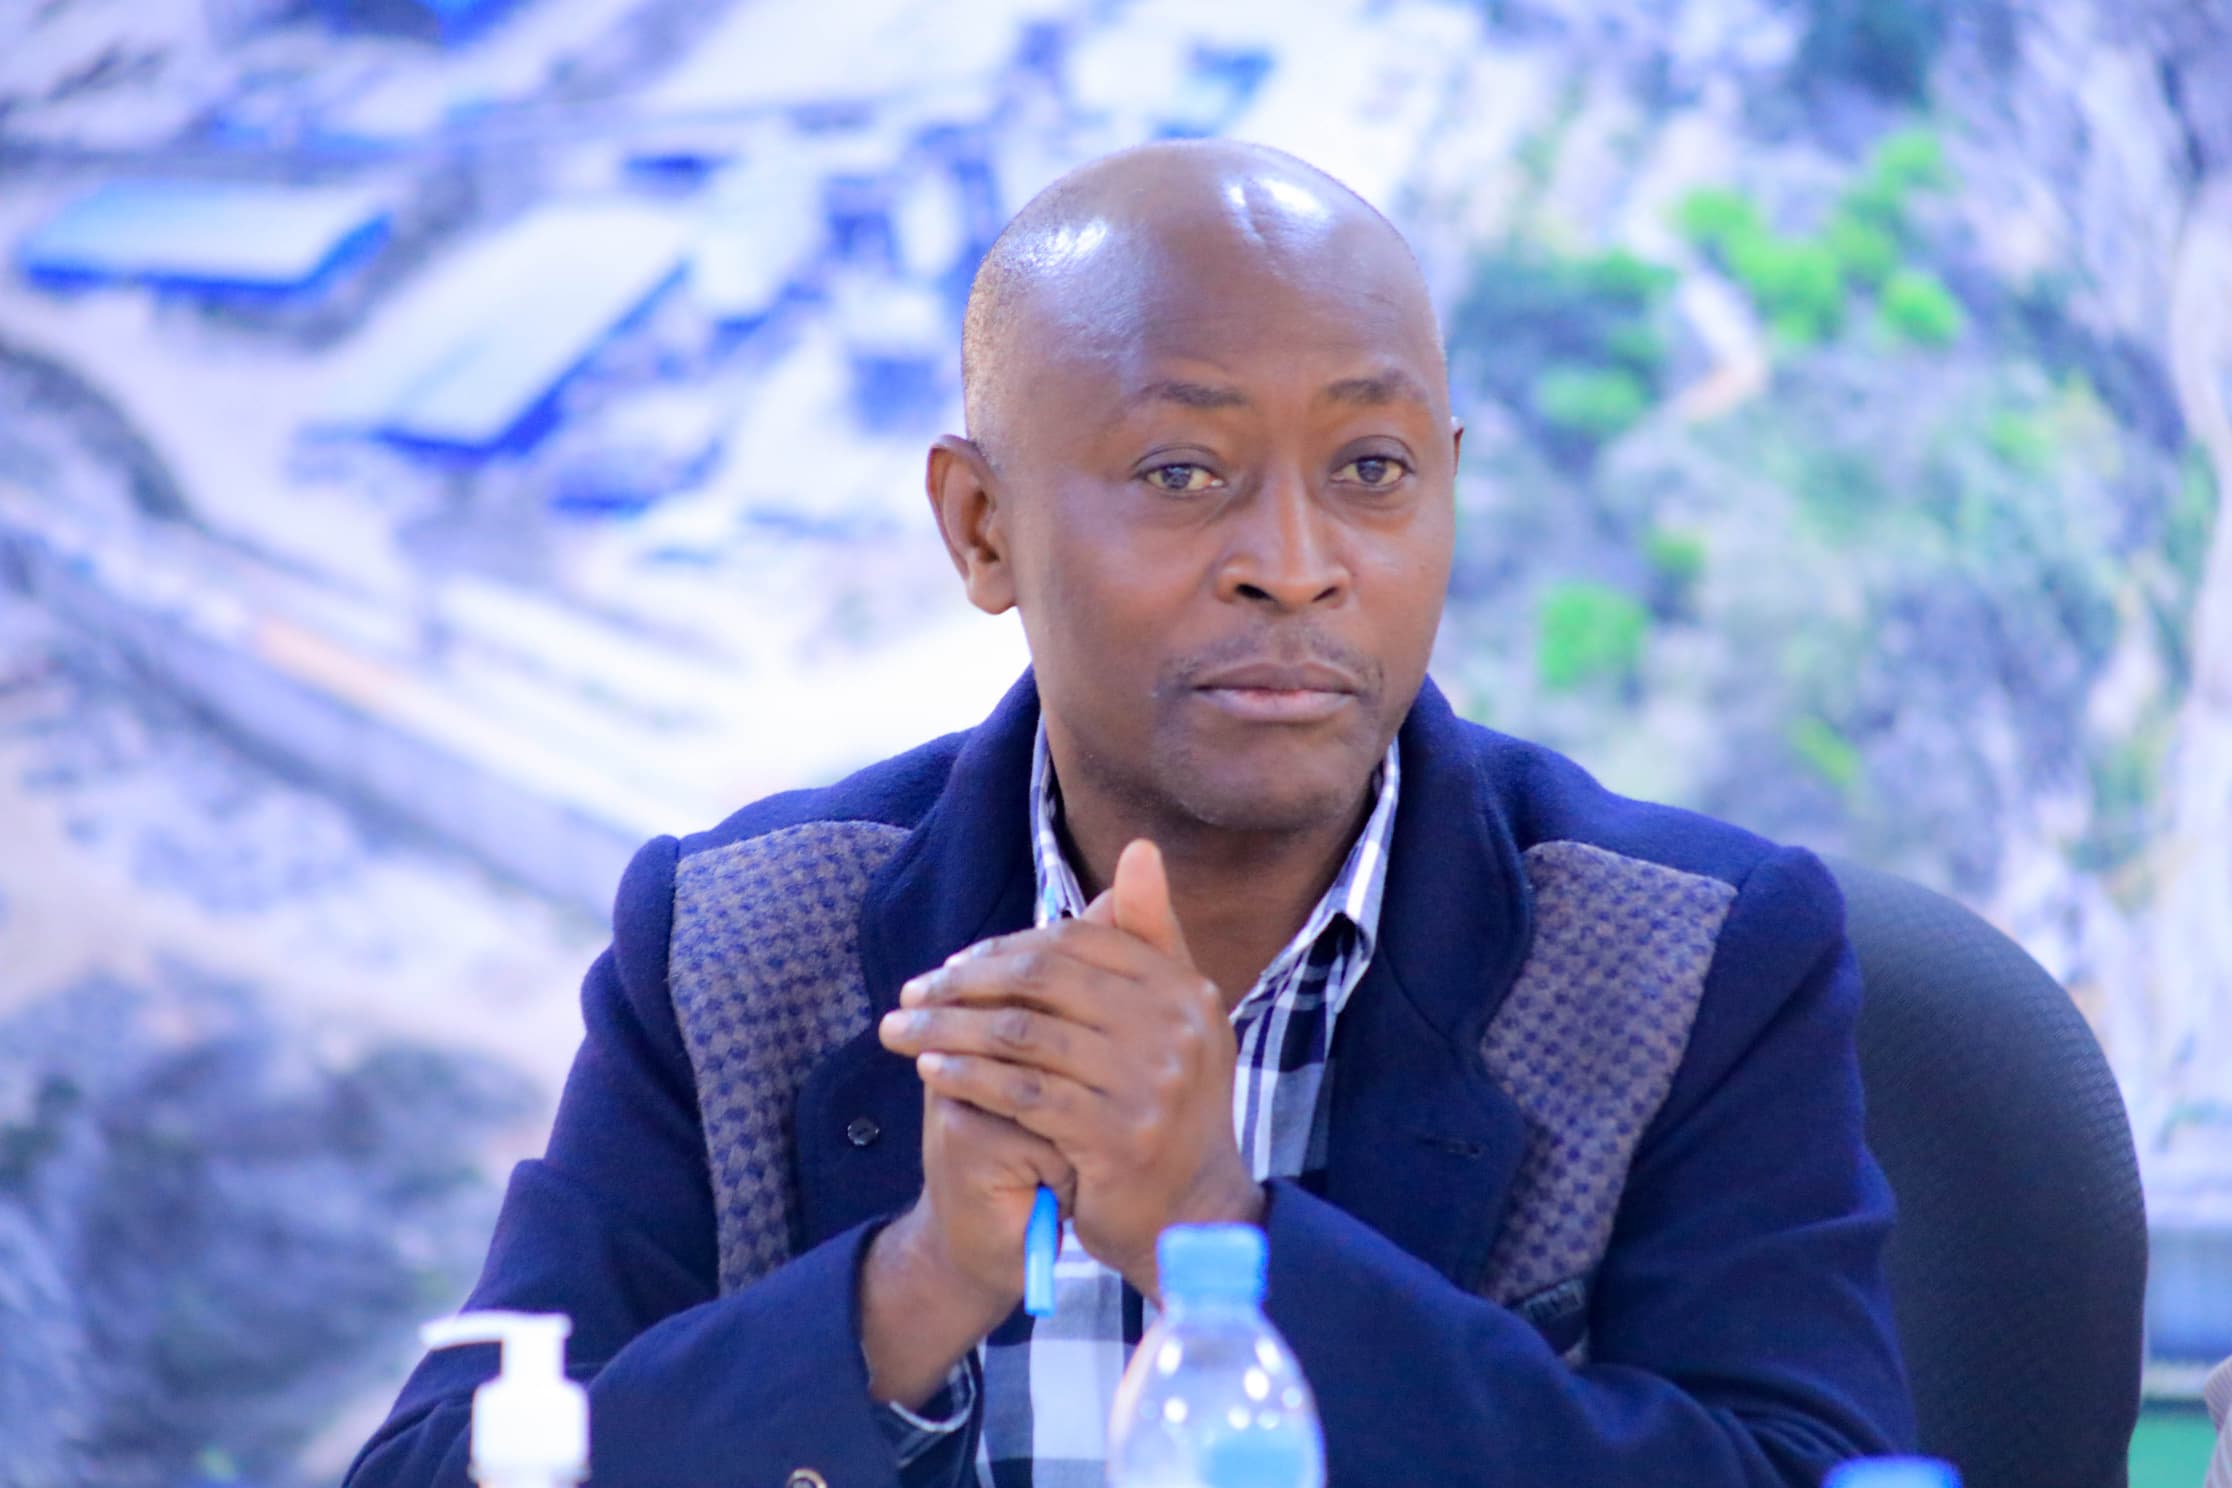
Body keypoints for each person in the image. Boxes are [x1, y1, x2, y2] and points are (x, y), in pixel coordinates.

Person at [346, 139, 1914, 1488]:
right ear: (981, 527)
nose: (1293, 564)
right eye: (1181, 472)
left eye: (1372, 469)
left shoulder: (1686, 965)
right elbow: (444, 1466)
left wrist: (1219, 1230)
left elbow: (1804, 1465)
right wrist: (912, 1286)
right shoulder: (735, 948)